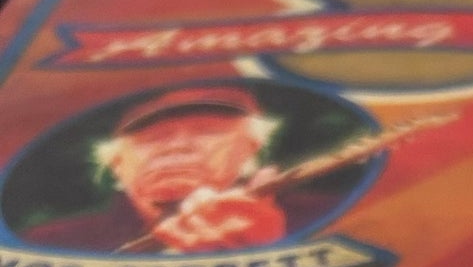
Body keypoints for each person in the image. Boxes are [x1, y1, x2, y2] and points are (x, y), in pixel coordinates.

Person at [32, 86, 291, 255]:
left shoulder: (307, 219)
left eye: (207, 131)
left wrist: (264, 250)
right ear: (117, 165)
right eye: (154, 137)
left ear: (251, 150)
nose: (178, 146)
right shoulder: (52, 244)